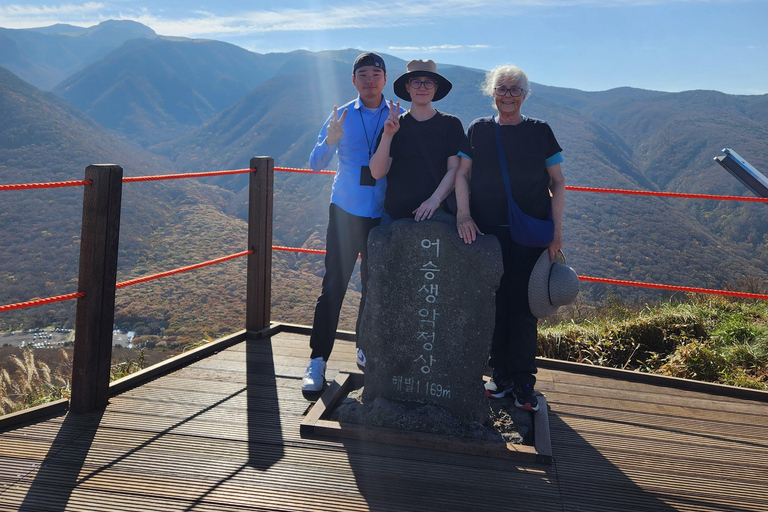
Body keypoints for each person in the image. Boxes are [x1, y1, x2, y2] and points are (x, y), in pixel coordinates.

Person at [455, 64, 566, 412]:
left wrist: (556, 232)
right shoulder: (478, 130)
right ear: (492, 93)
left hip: (530, 235)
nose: (508, 95)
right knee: (495, 306)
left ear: (525, 94)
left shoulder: (540, 131)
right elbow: (462, 175)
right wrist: (464, 215)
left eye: (515, 89)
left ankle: (523, 381)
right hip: (486, 234)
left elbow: (558, 181)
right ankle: (501, 376)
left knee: (524, 309)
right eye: (502, 88)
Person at [302, 52, 404, 393]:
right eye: (363, 74)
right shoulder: (341, 116)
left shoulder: (398, 114)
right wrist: (330, 140)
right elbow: (315, 164)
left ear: (385, 79)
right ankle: (318, 360)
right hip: (345, 211)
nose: (370, 79)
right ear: (354, 80)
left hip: (382, 213)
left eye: (376, 73)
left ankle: (366, 349)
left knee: (374, 287)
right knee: (334, 286)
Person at [369, 59, 469, 223]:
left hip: (437, 215)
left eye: (428, 83)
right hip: (395, 217)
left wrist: (434, 200)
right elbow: (377, 172)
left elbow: (454, 169)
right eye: (416, 82)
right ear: (407, 87)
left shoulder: (451, 124)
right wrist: (387, 135)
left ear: (435, 88)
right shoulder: (394, 125)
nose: (422, 88)